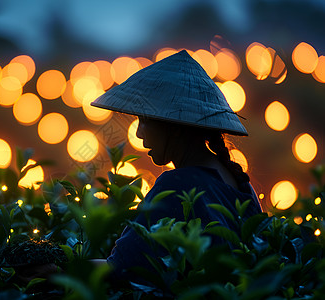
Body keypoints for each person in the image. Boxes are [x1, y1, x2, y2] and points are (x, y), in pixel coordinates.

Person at [90, 50, 263, 282]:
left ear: (176, 126)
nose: (139, 134)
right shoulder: (241, 183)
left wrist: (59, 269)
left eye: (145, 120)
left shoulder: (177, 185)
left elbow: (120, 268)